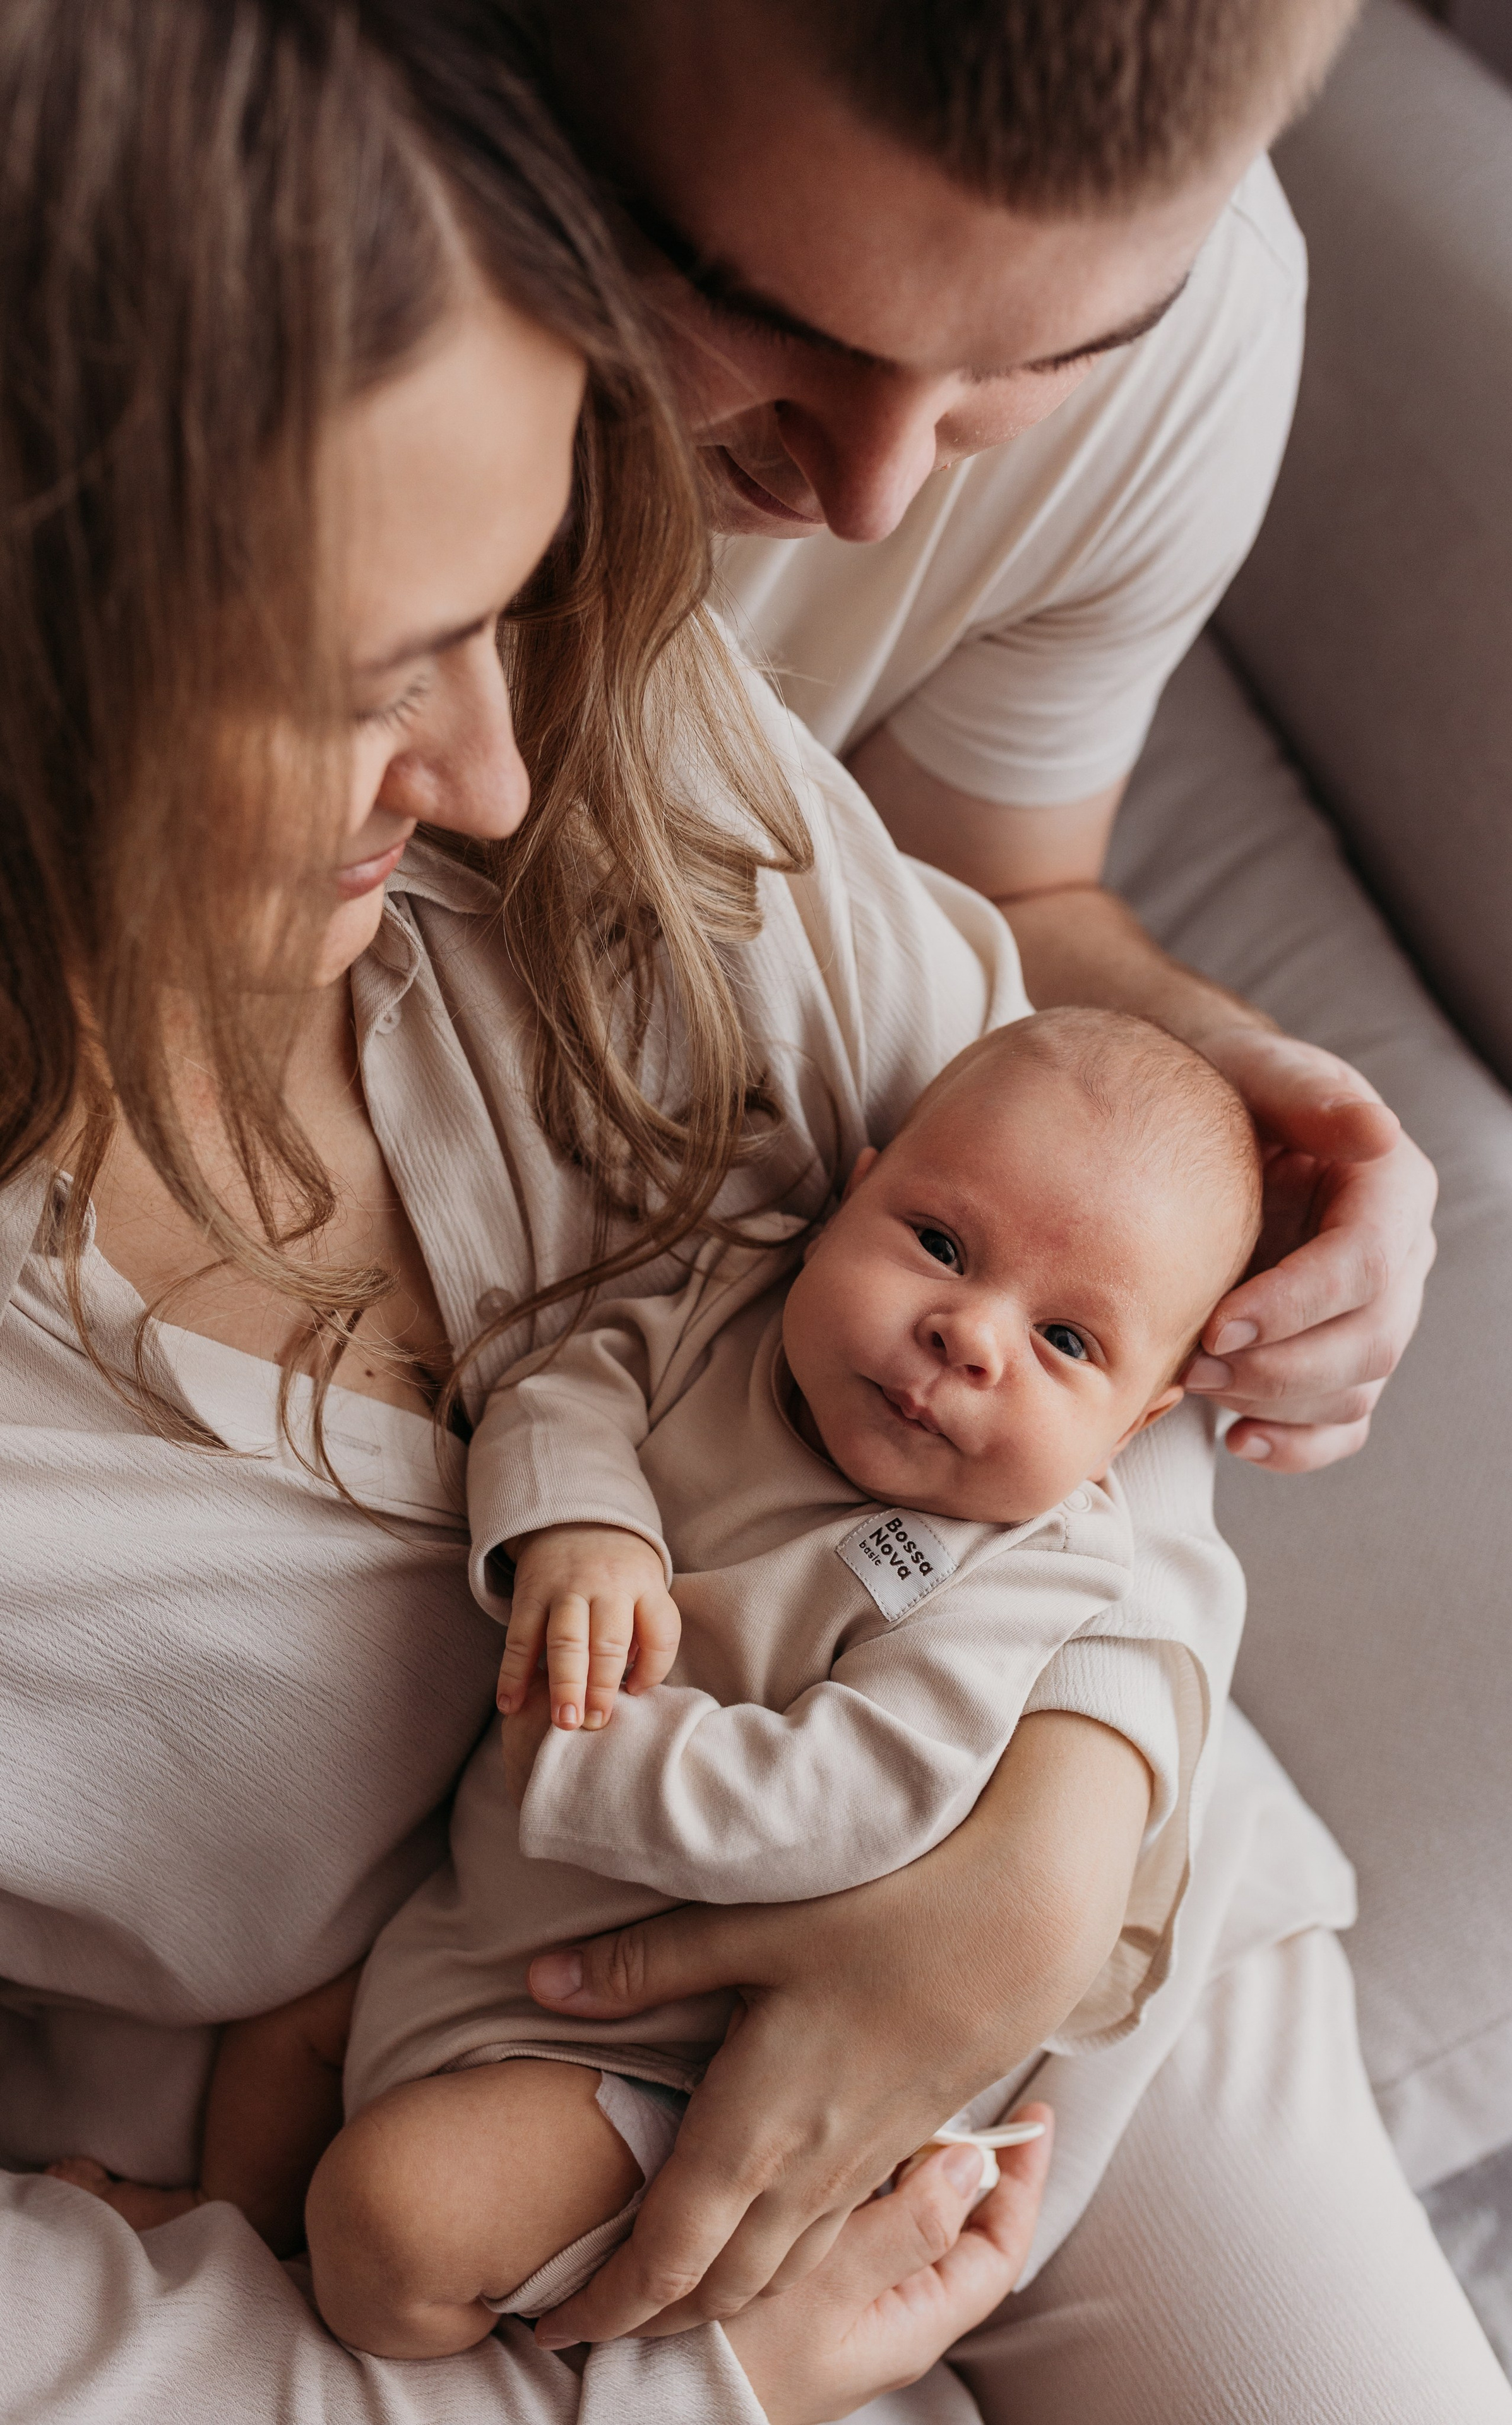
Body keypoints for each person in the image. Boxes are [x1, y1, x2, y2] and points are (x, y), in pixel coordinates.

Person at [0, 4, 1073, 2420]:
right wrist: (675, 2395)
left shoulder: (573, 687)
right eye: (375, 676)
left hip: (1042, 1875)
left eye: (508, 606)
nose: (496, 775)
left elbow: (1087, 1231)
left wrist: (1055, 1842)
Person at [281, 1010, 1258, 2355]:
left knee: (395, 2217)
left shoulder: (1028, 1566)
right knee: (276, 2040)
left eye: (1067, 1344)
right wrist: (586, 1526)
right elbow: (567, 1390)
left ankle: (449, 2345)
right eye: (937, 1244)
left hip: (674, 2050)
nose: (967, 1335)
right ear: (852, 1191)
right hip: (470, 1926)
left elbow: (851, 1797)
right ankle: (238, 2243)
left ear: (1133, 1430)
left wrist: (580, 1748)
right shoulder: (729, 1305)